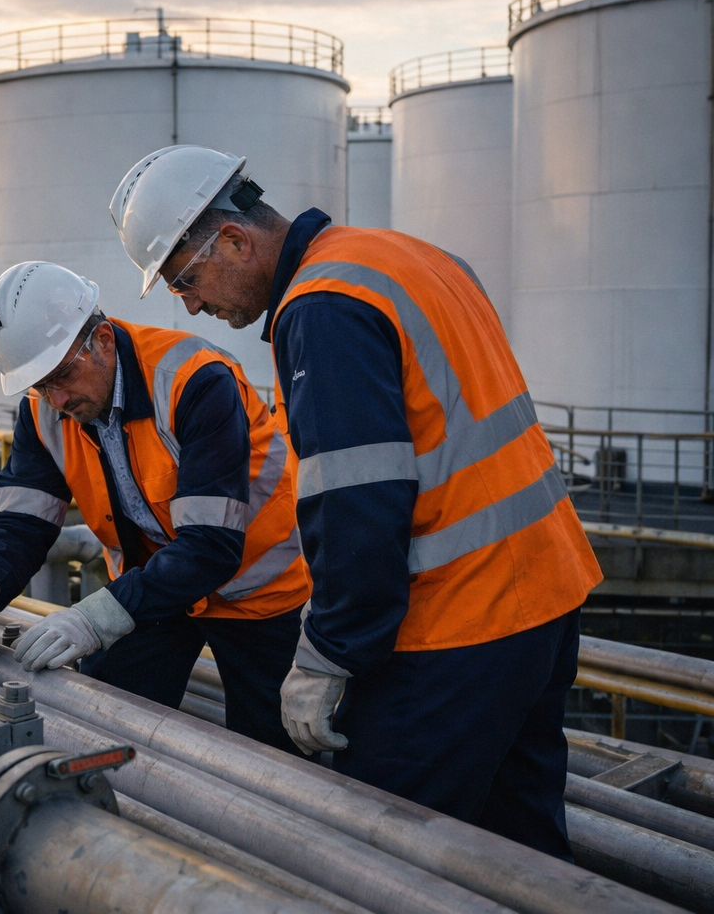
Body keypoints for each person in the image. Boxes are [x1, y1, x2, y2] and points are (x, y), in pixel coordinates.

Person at [109, 144, 601, 856]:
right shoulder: (401, 256)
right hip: (547, 594)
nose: (190, 304)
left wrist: (327, 657)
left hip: (458, 626)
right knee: (520, 847)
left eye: (186, 278)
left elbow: (357, 505)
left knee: (382, 854)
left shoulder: (324, 307)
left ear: (236, 241)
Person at [0, 260, 310, 750]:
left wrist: (97, 618)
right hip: (157, 584)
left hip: (254, 586)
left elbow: (211, 545)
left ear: (105, 341)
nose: (57, 397)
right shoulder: (45, 407)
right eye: (40, 383)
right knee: (105, 714)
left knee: (272, 750)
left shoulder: (193, 380)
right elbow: (24, 518)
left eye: (63, 374)